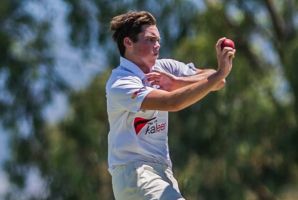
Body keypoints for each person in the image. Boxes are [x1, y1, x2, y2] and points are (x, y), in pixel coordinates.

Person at [106, 10, 235, 200]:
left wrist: (177, 83)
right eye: (150, 39)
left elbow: (217, 82)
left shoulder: (164, 67)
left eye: (158, 40)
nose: (157, 45)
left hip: (163, 171)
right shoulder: (122, 82)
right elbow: (172, 102)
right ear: (128, 42)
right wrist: (219, 74)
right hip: (135, 172)